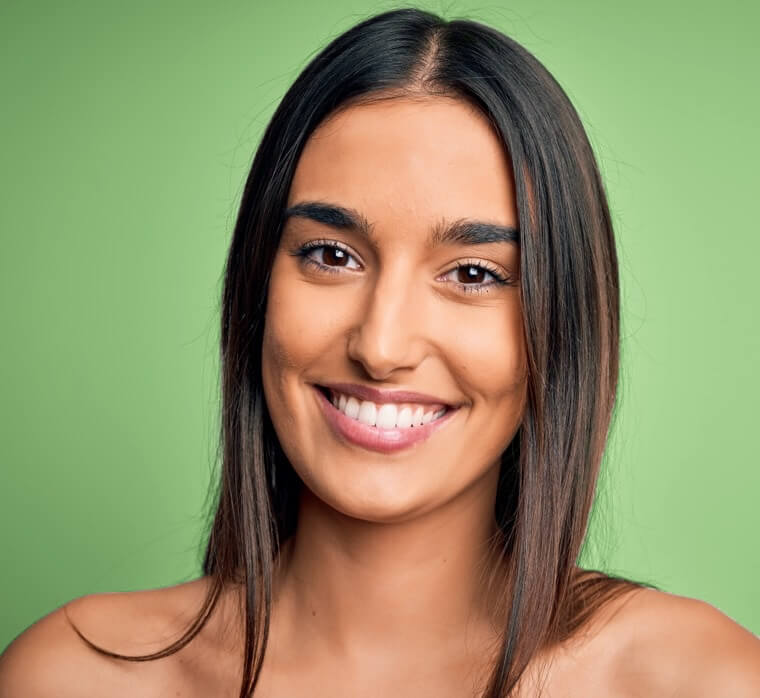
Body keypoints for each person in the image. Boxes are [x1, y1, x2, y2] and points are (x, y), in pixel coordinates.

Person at [1, 7, 758, 698]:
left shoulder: (698, 681)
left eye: (473, 274)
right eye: (331, 255)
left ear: (560, 325)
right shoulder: (72, 675)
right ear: (257, 286)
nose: (381, 346)